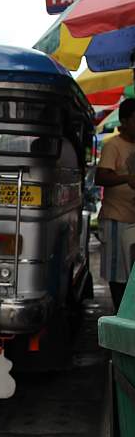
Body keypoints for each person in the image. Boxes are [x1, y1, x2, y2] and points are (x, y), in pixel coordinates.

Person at [95, 97, 135, 311]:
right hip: (116, 219)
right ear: (125, 121)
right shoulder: (113, 146)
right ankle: (120, 315)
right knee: (117, 275)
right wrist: (126, 179)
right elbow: (100, 177)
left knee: (131, 275)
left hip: (132, 220)